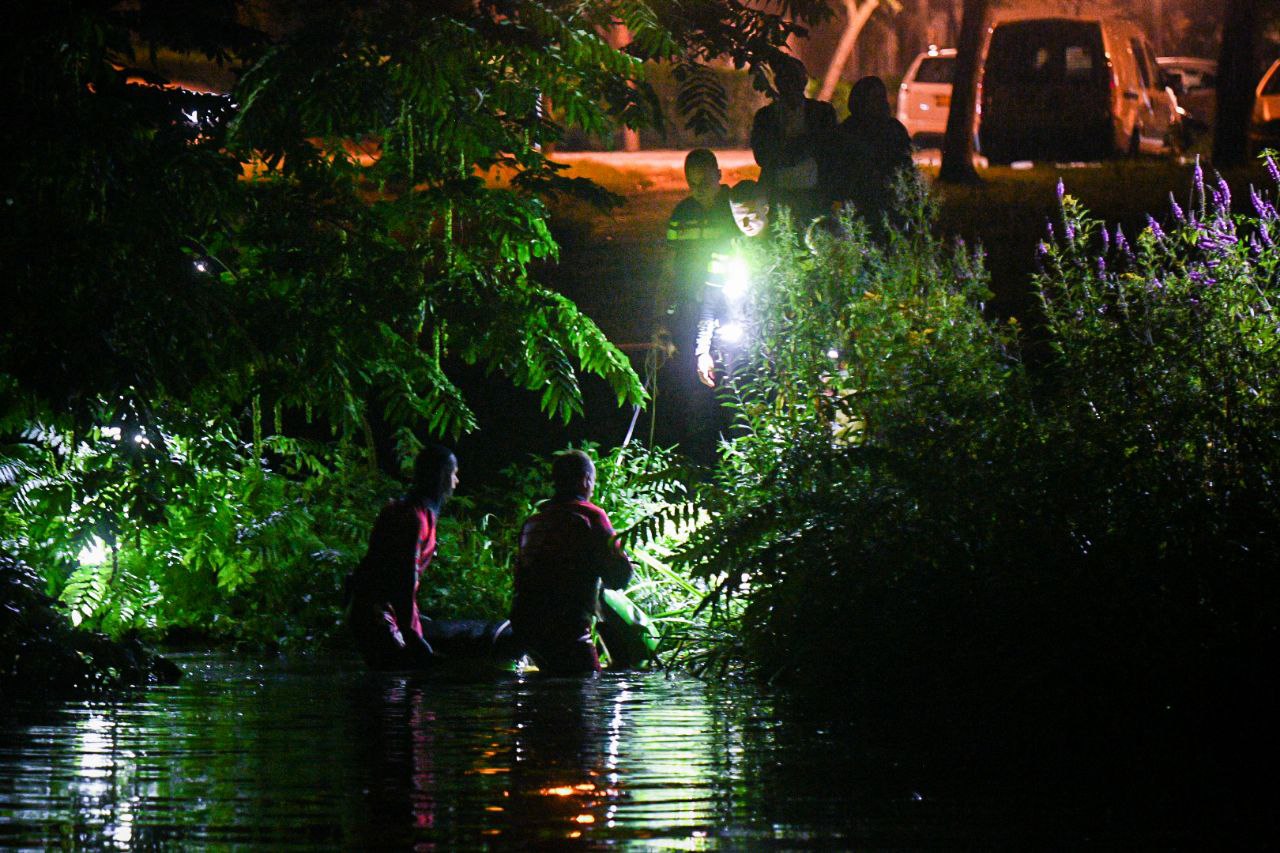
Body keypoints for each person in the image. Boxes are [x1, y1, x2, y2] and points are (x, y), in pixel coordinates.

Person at [510, 450, 632, 675]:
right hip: (566, 627)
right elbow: (620, 576)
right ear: (585, 480)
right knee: (586, 683)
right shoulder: (591, 515)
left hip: (524, 626)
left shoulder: (533, 522)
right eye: (592, 482)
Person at [346, 444, 459, 670]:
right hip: (375, 615)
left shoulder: (413, 512)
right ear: (442, 476)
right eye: (454, 474)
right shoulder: (412, 518)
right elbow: (403, 582)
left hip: (375, 611)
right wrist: (413, 636)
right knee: (398, 682)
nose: (456, 482)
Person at [657, 149, 738, 459]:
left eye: (705, 181)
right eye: (692, 184)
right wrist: (662, 316)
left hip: (729, 310)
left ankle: (737, 456)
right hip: (691, 310)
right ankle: (701, 459)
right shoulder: (682, 213)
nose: (699, 189)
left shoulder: (735, 208)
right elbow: (669, 266)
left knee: (732, 387)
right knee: (695, 391)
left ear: (719, 175)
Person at [695, 179, 771, 390]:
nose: (745, 224)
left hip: (779, 351)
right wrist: (702, 351)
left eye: (750, 216)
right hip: (740, 353)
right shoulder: (725, 251)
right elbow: (710, 302)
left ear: (765, 209)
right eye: (738, 218)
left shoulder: (785, 249)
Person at [750, 55, 837, 226]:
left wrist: (789, 149)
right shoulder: (765, 117)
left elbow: (830, 150)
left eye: (794, 78)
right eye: (785, 78)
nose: (790, 84)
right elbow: (762, 156)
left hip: (816, 197)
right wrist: (802, 147)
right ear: (777, 83)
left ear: (804, 81)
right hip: (779, 195)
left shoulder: (822, 113)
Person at [829, 76, 914, 235]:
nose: (881, 103)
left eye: (882, 97)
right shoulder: (848, 131)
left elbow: (906, 165)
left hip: (891, 199)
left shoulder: (894, 129)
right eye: (874, 99)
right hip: (861, 200)